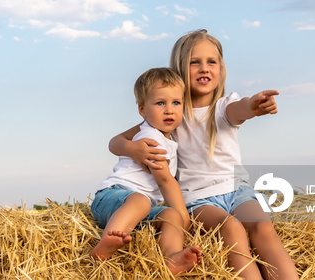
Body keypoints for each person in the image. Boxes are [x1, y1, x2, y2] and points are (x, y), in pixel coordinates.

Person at [109, 29, 298, 280]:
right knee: (231, 230)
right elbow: (115, 142)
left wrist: (253, 106)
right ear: (179, 68)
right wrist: (133, 148)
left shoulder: (223, 107)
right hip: (198, 199)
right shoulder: (170, 114)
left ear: (221, 68)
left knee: (262, 228)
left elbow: (239, 110)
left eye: (212, 62)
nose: (204, 68)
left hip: (237, 190)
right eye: (194, 62)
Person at [90, 67, 202, 274]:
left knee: (170, 216)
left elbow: (115, 142)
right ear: (143, 110)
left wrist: (177, 216)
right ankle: (108, 240)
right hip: (112, 197)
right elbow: (165, 181)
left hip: (141, 211)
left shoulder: (159, 132)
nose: (169, 110)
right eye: (160, 103)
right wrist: (184, 215)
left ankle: (172, 258)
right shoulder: (151, 137)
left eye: (176, 103)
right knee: (146, 203)